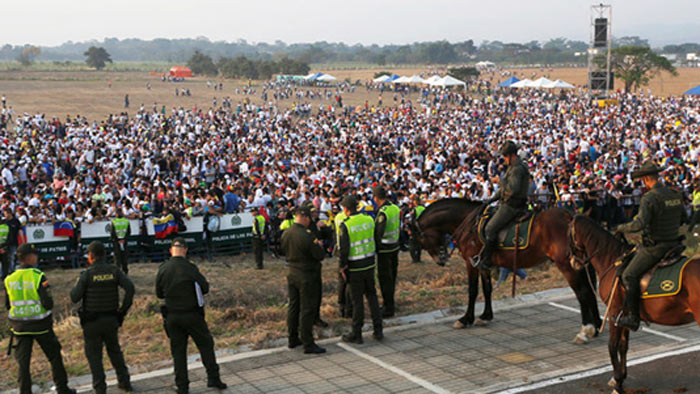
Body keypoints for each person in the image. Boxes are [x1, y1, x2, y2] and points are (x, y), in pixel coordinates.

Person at [614, 161, 687, 331]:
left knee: (628, 275)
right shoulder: (674, 194)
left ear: (646, 178)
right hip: (675, 244)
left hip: (656, 247)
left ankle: (633, 318)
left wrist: (619, 228)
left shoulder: (650, 198)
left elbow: (638, 225)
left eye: (642, 180)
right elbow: (683, 217)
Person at [155, 238, 227, 394]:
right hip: (192, 315)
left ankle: (182, 386)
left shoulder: (163, 269)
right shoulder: (190, 268)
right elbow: (205, 288)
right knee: (206, 345)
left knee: (178, 352)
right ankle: (213, 378)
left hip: (172, 316)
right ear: (185, 250)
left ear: (170, 250)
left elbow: (159, 293)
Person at [4, 244, 76, 394]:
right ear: (29, 257)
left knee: (23, 364)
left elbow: (7, 304)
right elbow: (48, 303)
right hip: (40, 325)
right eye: (35, 254)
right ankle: (62, 388)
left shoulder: (9, 278)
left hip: (20, 327)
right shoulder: (38, 276)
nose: (37, 257)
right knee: (54, 357)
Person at [70, 241, 135, 394]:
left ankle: (100, 389)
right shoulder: (114, 271)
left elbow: (74, 297)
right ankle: (125, 383)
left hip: (91, 322)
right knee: (115, 351)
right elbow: (130, 289)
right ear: (104, 255)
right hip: (111, 318)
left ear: (91, 256)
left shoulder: (87, 274)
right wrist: (122, 311)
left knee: (94, 357)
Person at [473, 140, 531, 272]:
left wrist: (499, 181)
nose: (504, 159)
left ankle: (488, 261)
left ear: (512, 155)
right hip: (508, 202)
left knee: (490, 228)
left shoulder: (516, 169)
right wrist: (491, 199)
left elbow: (513, 189)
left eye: (505, 156)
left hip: (512, 206)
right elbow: (503, 189)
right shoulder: (512, 167)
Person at [280, 205, 326, 354]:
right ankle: (308, 342)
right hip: (307, 274)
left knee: (293, 306)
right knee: (307, 308)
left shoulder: (287, 233)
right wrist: (319, 246)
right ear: (305, 218)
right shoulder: (307, 235)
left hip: (292, 271)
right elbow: (319, 255)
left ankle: (292, 338)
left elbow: (283, 250)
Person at [338, 195, 383, 344]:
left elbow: (344, 250)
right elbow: (376, 238)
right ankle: (378, 330)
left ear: (345, 209)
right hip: (369, 263)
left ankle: (357, 333)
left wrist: (342, 267)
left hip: (355, 267)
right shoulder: (369, 219)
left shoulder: (346, 225)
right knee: (372, 296)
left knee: (357, 301)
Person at [373, 185, 400, 318]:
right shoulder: (395, 208)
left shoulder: (383, 212)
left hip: (384, 250)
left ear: (376, 198)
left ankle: (388, 308)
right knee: (392, 277)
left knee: (385, 280)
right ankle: (390, 303)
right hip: (395, 247)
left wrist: (375, 249)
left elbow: (378, 233)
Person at [110, 210, 131, 275]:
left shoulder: (114, 222)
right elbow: (129, 232)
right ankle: (125, 271)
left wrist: (117, 239)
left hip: (117, 242)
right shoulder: (126, 221)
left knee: (117, 258)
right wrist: (124, 239)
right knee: (124, 256)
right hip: (124, 241)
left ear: (116, 214)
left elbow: (112, 233)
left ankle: (117, 272)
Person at [409, 196, 425, 263]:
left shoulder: (414, 210)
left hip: (415, 229)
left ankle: (414, 259)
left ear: (415, 202)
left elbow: (412, 221)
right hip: (422, 229)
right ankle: (418, 258)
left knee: (412, 245)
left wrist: (410, 230)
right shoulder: (424, 208)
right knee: (419, 244)